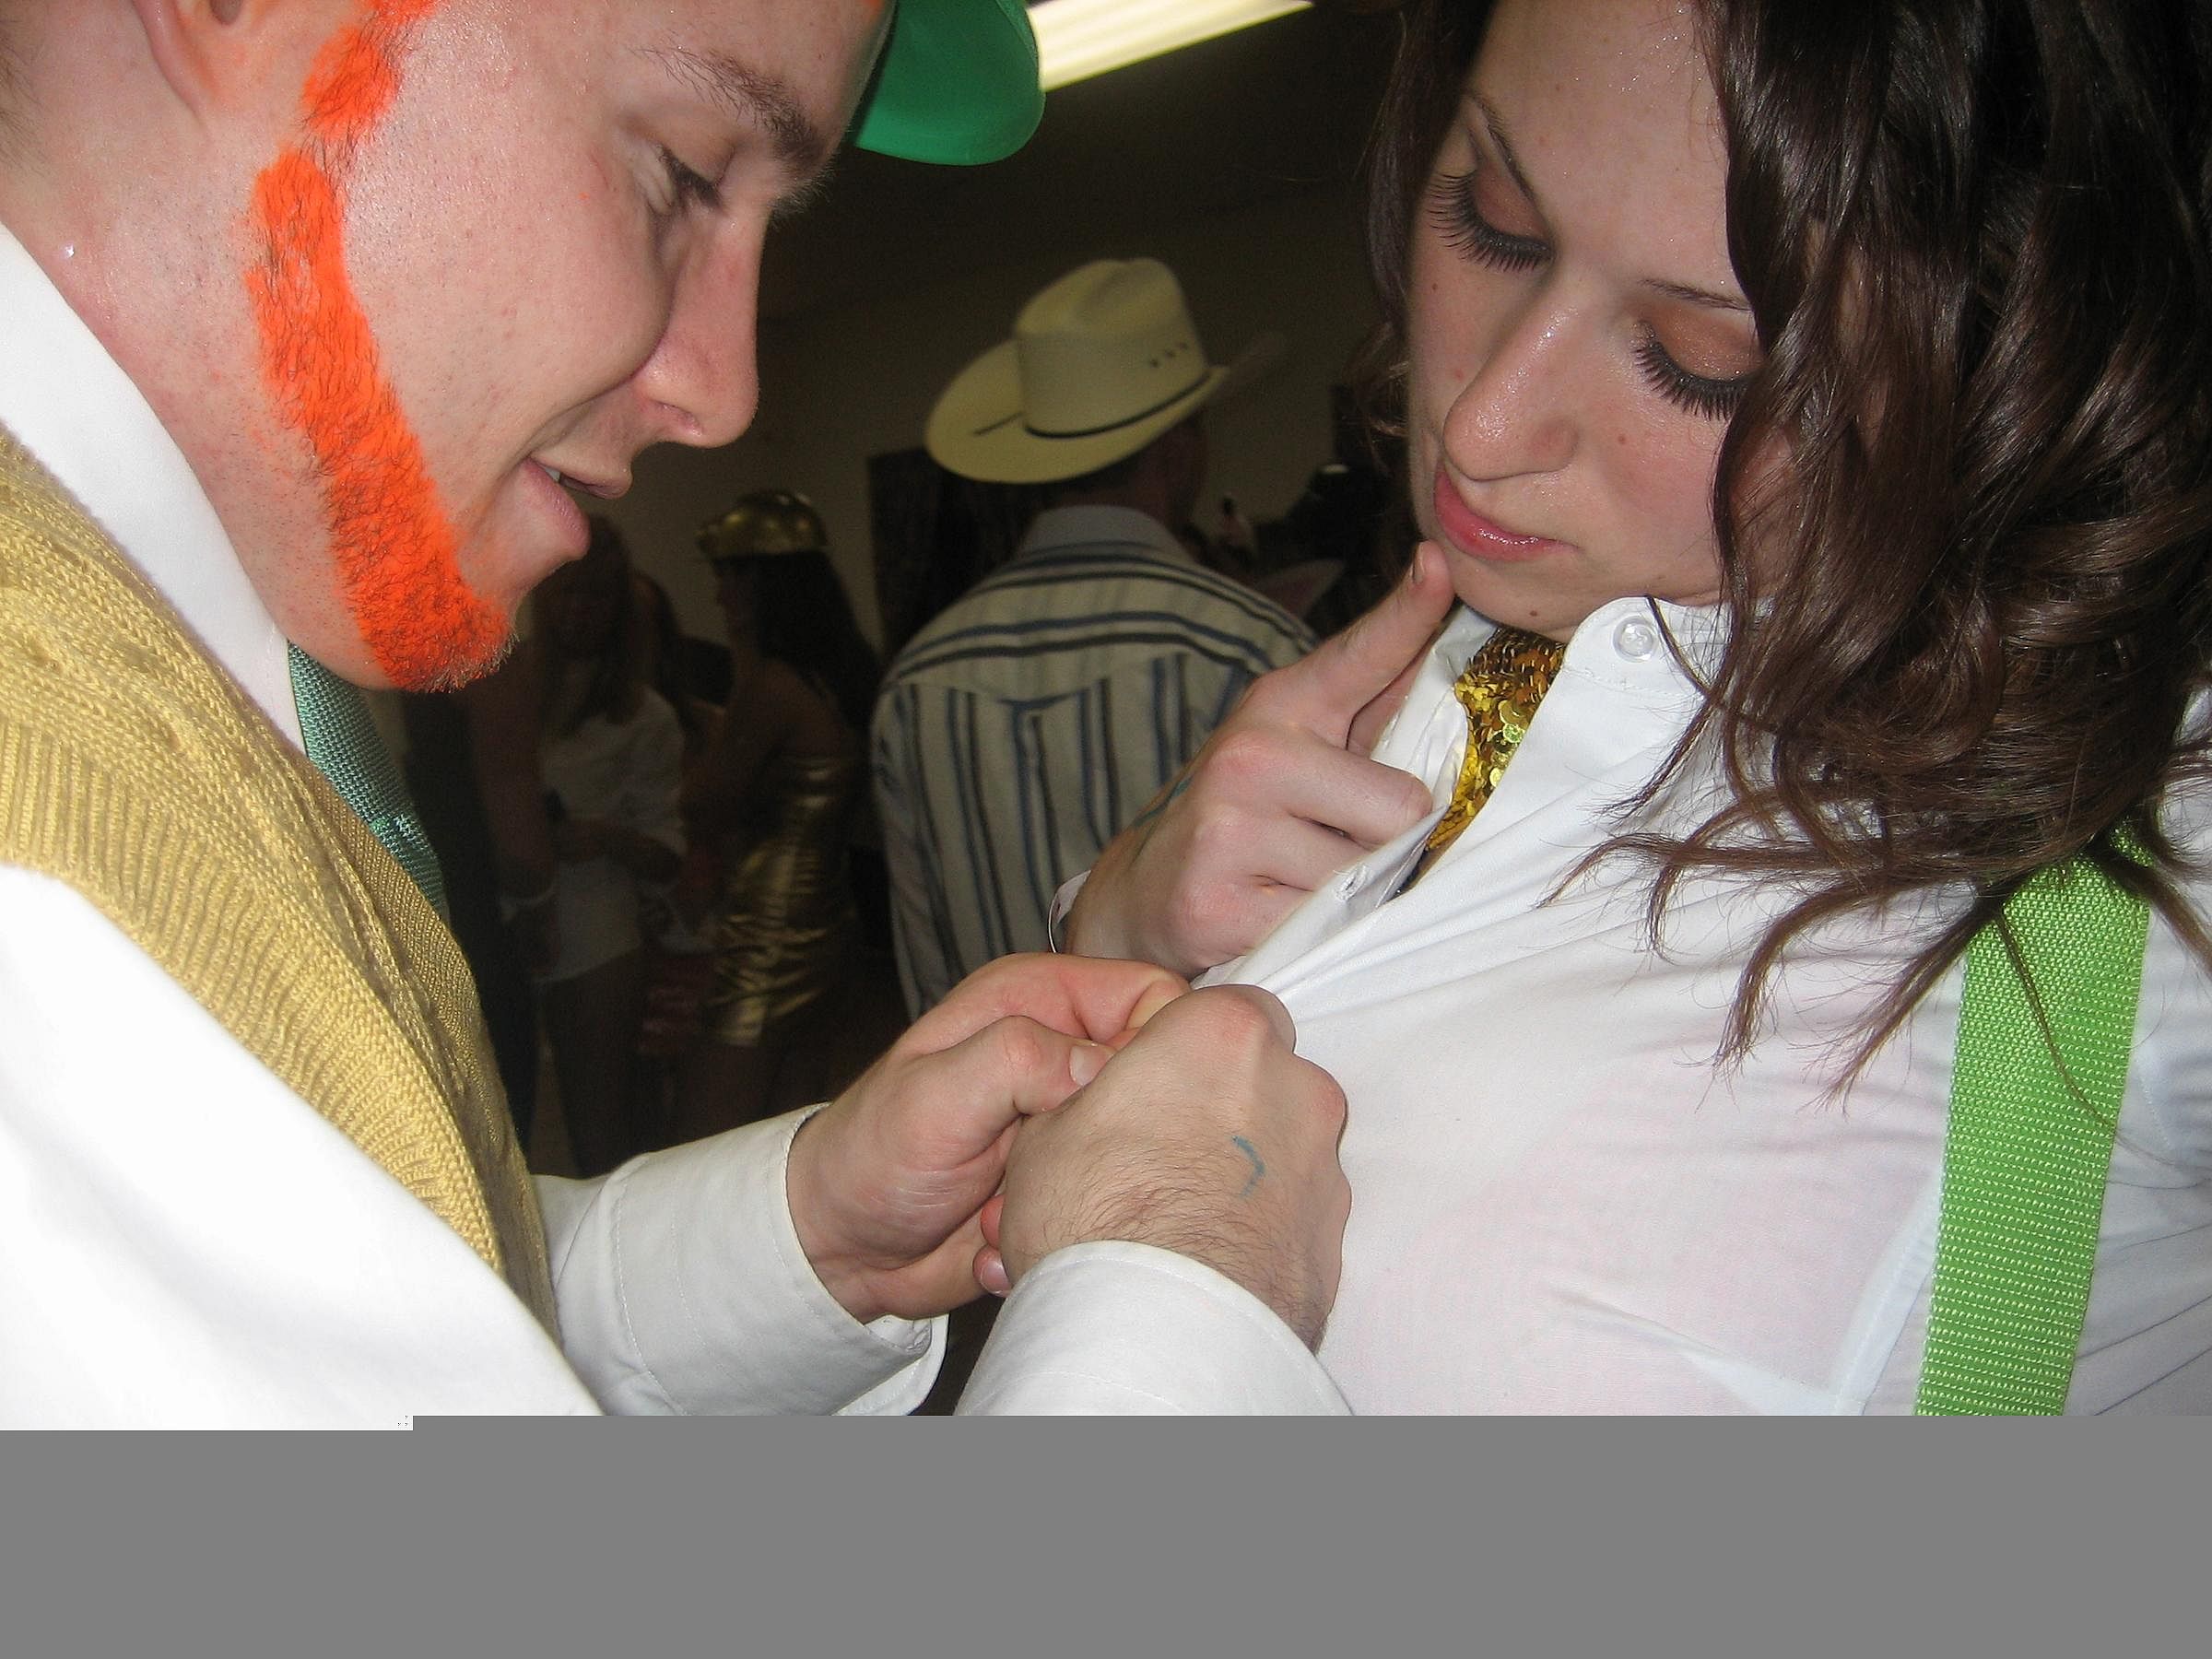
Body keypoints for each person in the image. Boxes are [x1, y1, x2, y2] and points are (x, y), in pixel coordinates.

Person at [0, 0, 1352, 1422]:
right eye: (684, 172)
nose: (724, 391)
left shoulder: (157, 699)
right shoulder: (41, 909)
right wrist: (1177, 1299)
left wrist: (810, 1228)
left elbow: (376, 1305)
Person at [1013, 0, 2212, 1412]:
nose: (1481, 428)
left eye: (1704, 360)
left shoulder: (2159, 866)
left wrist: (1164, 1290)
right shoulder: (1455, 652)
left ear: (2011, 363)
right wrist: (1119, 930)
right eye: (1493, 223)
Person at [873, 256, 1316, 1015]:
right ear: (1179, 453)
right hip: (1210, 1087)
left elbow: (927, 967)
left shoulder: (916, 683)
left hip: (994, 1083)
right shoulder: (1253, 653)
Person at [677, 491, 879, 1139]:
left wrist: (708, 737)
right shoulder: (839, 675)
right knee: (791, 1121)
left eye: (729, 576)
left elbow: (703, 803)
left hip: (768, 921)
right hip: (828, 913)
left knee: (708, 1126)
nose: (719, 595)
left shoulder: (771, 687)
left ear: (762, 583)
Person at [518, 517, 687, 1176]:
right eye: (566, 591)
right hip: (511, 927)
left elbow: (668, 855)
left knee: (599, 1138)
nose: (578, 610)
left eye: (595, 595)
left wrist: (604, 838)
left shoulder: (644, 716)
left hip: (597, 934)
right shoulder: (510, 690)